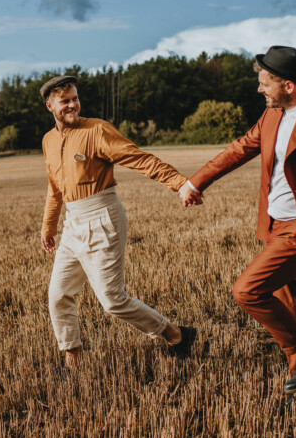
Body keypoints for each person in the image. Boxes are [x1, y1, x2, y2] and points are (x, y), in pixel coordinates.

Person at [179, 45, 296, 398]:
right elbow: (239, 148)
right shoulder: (272, 116)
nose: (259, 89)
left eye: (265, 83)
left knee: (247, 290)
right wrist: (195, 181)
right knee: (291, 305)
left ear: (288, 85)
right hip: (274, 225)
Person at [40, 75, 198, 367]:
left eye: (75, 98)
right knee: (58, 295)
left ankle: (176, 334)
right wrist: (49, 227)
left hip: (102, 217)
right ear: (51, 106)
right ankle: (73, 365)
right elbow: (55, 188)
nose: (72, 105)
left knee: (112, 301)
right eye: (65, 101)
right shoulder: (49, 141)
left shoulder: (97, 130)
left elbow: (138, 158)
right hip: (72, 225)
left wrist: (179, 183)